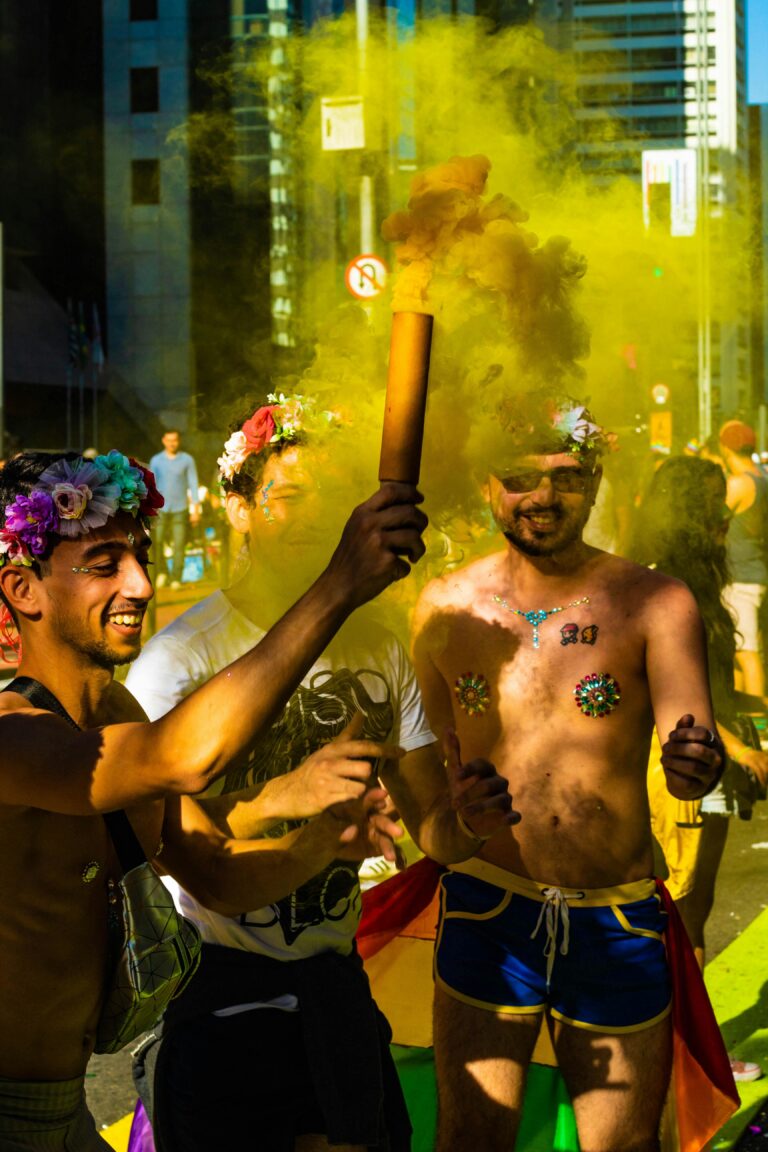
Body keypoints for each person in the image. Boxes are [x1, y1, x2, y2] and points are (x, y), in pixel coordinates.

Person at [0, 446, 431, 1150]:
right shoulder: (11, 737)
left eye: (139, 555)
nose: (141, 583)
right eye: (105, 565)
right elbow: (186, 758)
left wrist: (323, 840)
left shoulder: (119, 716)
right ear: (25, 591)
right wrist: (338, 585)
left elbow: (221, 875)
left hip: (66, 1107)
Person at [126, 396, 516, 1152]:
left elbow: (431, 832)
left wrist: (465, 821)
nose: (310, 518)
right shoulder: (181, 659)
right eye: (287, 496)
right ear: (236, 509)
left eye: (324, 500)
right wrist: (303, 814)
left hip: (335, 987)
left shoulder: (376, 647)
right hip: (219, 997)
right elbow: (201, 864)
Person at [411, 394, 726, 1152]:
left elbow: (691, 767)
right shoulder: (444, 607)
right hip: (490, 911)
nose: (545, 496)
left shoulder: (655, 602)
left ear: (596, 482)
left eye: (569, 476)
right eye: (522, 477)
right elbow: (426, 793)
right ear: (490, 486)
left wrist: (694, 765)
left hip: (614, 922)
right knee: (473, 1140)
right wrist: (454, 819)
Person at [718, 419, 768, 697]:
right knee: (737, 648)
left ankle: (760, 723)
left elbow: (711, 520)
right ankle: (742, 714)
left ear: (725, 447)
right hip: (753, 571)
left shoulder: (739, 484)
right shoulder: (762, 478)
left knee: (747, 651)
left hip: (740, 577)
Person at [149, 429, 200, 588]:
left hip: (181, 508)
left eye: (175, 440)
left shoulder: (187, 460)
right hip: (161, 509)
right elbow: (151, 485)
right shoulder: (156, 460)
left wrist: (196, 509)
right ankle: (162, 572)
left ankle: (176, 578)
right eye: (169, 440)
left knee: (179, 544)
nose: (172, 443)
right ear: (164, 440)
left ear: (179, 441)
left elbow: (193, 483)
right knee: (156, 542)